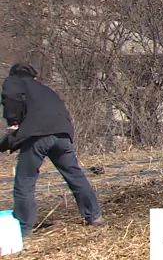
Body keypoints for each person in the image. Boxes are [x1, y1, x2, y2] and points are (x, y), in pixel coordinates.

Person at [0, 63, 103, 236]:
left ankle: (24, 228)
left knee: (25, 181)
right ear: (34, 77)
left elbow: (11, 97)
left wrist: (13, 121)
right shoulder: (46, 90)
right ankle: (94, 216)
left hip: (38, 137)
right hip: (63, 134)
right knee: (75, 176)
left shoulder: (14, 82)